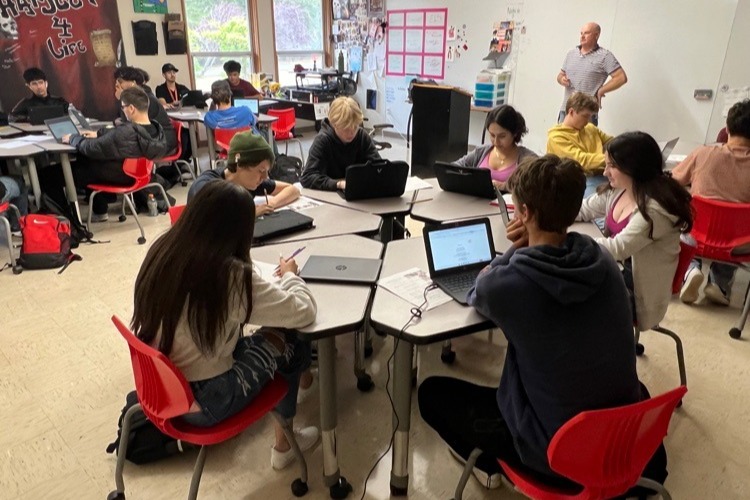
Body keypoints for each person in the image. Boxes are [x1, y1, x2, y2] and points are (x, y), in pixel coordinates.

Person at [418, 155, 666, 493]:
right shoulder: (603, 260)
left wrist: (514, 249)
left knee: (431, 394)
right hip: (625, 439)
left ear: (525, 214)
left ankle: (489, 465)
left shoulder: (508, 285)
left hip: (559, 456)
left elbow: (480, 288)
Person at [132, 180, 319, 470]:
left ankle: (304, 379)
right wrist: (292, 276)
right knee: (290, 336)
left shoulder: (164, 250)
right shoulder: (227, 275)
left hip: (166, 388)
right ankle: (284, 445)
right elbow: (303, 311)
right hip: (207, 399)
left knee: (264, 333)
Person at [577, 131, 693, 328]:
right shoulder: (619, 190)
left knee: (570, 296)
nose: (605, 172)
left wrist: (570, 240)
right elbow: (584, 209)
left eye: (612, 166)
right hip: (616, 269)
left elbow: (618, 248)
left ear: (634, 167)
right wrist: (548, 216)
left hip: (638, 292)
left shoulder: (654, 209)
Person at [40, 86, 169, 221]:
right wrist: (99, 133)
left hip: (117, 174)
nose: (123, 110)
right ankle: (99, 210)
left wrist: (73, 138)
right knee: (87, 161)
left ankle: (66, 221)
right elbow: (116, 136)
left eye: (123, 107)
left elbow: (92, 147)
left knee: (48, 174)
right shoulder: (156, 129)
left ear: (131, 108)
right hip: (138, 174)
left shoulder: (127, 131)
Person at [672, 99, 750, 306]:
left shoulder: (703, 153)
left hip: (695, 236)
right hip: (739, 246)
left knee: (691, 224)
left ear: (727, 128)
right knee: (737, 229)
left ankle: (691, 269)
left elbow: (672, 181)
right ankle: (719, 284)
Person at [188, 131, 300, 217]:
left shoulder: (249, 182)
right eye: (261, 171)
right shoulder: (205, 187)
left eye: (267, 171)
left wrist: (271, 204)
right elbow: (214, 220)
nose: (265, 177)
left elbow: (293, 190)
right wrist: (252, 212)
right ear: (240, 165)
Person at [301, 96, 381, 191]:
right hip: (330, 194)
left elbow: (379, 168)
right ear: (334, 124)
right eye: (346, 128)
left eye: (355, 127)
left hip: (357, 191)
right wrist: (338, 184)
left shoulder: (361, 136)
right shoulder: (323, 140)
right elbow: (307, 177)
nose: (352, 132)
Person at [556, 22, 627, 125]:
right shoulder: (571, 54)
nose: (582, 36)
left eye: (587, 33)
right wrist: (561, 79)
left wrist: (601, 90)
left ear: (596, 35)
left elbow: (621, 77)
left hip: (587, 113)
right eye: (581, 33)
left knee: (586, 141)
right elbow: (560, 75)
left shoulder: (604, 56)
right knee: (561, 140)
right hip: (566, 111)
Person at [453, 105, 537, 191]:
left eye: (502, 136)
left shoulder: (528, 159)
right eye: (492, 135)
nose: (496, 142)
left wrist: (505, 186)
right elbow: (453, 168)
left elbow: (537, 187)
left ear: (515, 133)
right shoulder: (481, 152)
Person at [547, 92, 613, 197]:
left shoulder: (590, 129)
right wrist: (612, 158)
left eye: (590, 117)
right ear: (571, 112)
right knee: (600, 202)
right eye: (585, 116)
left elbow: (613, 143)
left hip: (604, 175)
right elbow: (581, 161)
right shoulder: (556, 137)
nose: (588, 121)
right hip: (577, 181)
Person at [114, 66, 177, 156]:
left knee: (118, 151)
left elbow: (130, 126)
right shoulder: (137, 97)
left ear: (133, 83)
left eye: (121, 83)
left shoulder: (145, 99)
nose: (118, 86)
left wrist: (122, 98)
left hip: (162, 141)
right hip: (152, 138)